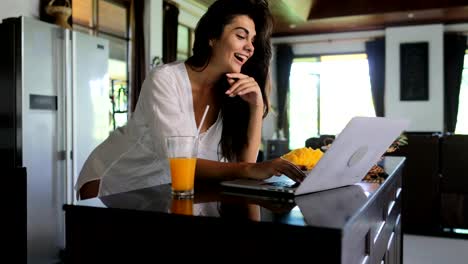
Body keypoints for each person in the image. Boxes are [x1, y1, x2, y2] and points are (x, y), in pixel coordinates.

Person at [76, 0, 305, 199]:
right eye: (241, 35)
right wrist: (250, 169)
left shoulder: (233, 94)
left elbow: (243, 163)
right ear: (212, 37)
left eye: (253, 40)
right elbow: (178, 160)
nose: (250, 47)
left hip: (164, 190)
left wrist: (257, 106)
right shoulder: (165, 79)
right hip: (112, 182)